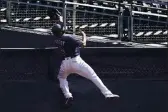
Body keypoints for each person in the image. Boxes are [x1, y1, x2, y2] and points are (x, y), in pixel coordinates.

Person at [51, 24, 119, 107]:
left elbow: (65, 39)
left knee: (61, 78)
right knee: (93, 76)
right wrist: (83, 35)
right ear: (62, 30)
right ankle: (108, 94)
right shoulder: (68, 38)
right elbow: (83, 44)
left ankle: (68, 95)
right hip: (76, 61)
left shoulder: (56, 40)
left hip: (64, 63)